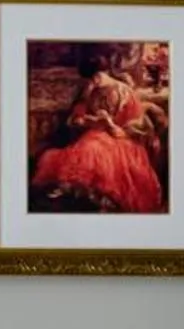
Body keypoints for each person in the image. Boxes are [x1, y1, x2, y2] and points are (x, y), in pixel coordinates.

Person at [29, 49, 165, 214]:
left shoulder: (126, 93)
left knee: (94, 148)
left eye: (97, 78)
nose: (94, 83)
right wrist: (83, 120)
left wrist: (107, 123)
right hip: (95, 137)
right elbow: (75, 118)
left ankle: (102, 198)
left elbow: (130, 132)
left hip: (123, 144)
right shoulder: (90, 92)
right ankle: (75, 190)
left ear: (105, 74)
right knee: (87, 145)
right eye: (92, 79)